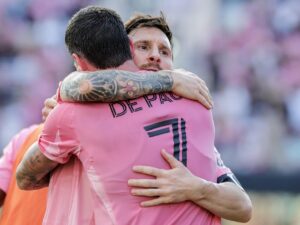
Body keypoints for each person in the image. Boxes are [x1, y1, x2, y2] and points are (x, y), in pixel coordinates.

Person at [16, 6, 239, 224]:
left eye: (165, 51)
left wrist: (196, 188)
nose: (154, 56)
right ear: (126, 50)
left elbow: (242, 205)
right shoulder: (75, 110)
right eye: (144, 47)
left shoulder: (192, 107)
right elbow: (80, 85)